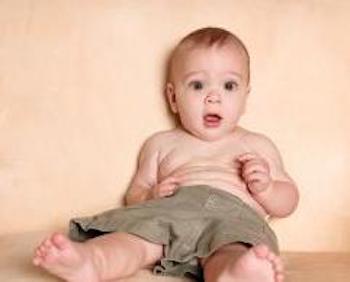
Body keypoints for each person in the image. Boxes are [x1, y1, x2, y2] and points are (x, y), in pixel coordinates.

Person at [32, 27, 299, 282]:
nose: (213, 97)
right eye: (197, 85)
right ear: (173, 98)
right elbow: (135, 193)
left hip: (231, 219)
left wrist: (267, 188)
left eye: (229, 86)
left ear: (245, 97)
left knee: (233, 249)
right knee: (133, 239)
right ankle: (92, 262)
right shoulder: (161, 144)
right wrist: (150, 195)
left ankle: (234, 274)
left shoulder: (257, 144)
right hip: (169, 212)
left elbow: (288, 201)